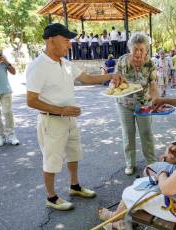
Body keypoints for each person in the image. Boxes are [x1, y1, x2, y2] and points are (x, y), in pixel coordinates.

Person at [26, 23, 122, 211]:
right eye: (66, 40)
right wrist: (61, 110)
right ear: (51, 40)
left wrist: (112, 75)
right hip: (51, 121)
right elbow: (31, 100)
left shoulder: (66, 63)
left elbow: (87, 78)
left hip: (70, 119)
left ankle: (74, 186)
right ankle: (51, 197)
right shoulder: (38, 66)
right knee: (51, 160)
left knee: (73, 154)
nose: (70, 45)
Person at [115, 32, 159, 175]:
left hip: (144, 103)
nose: (138, 53)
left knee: (146, 133)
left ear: (146, 50)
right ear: (130, 48)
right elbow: (115, 82)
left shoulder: (150, 63)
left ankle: (152, 163)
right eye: (135, 49)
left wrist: (156, 101)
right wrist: (115, 83)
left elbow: (153, 85)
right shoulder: (122, 61)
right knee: (128, 133)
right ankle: (130, 163)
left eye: (142, 49)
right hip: (124, 104)